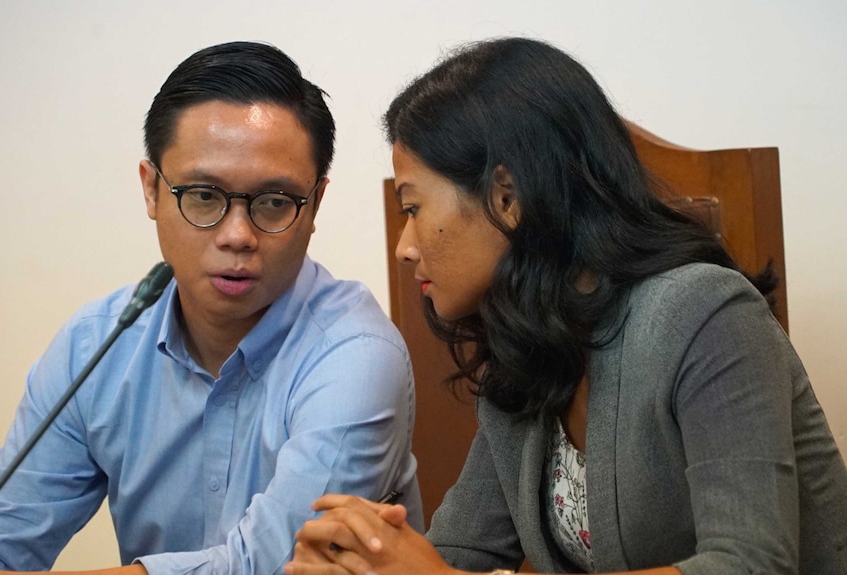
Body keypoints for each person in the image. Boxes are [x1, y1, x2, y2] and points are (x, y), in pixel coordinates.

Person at [285, 37, 847, 574]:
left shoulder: (705, 314)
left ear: (507, 196)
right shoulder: (529, 345)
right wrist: (360, 557)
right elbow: (455, 551)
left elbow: (752, 565)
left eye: (412, 207)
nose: (405, 248)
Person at [0, 41, 422, 575]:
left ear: (315, 206)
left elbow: (275, 565)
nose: (237, 236)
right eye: (203, 196)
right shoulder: (94, 345)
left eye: (274, 202)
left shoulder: (356, 354)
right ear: (151, 190)